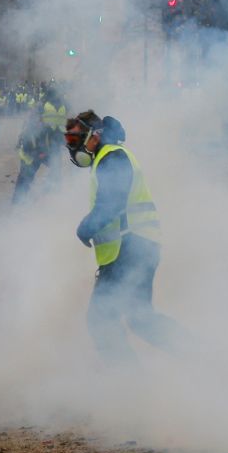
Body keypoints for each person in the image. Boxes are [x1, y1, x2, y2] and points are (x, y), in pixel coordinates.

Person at [67, 111, 177, 359]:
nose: (72, 147)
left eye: (75, 140)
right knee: (141, 320)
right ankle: (201, 354)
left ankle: (128, 382)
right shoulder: (109, 157)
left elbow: (111, 203)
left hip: (131, 248)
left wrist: (85, 227)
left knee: (101, 320)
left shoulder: (112, 158)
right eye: (69, 141)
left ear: (94, 136)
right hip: (135, 248)